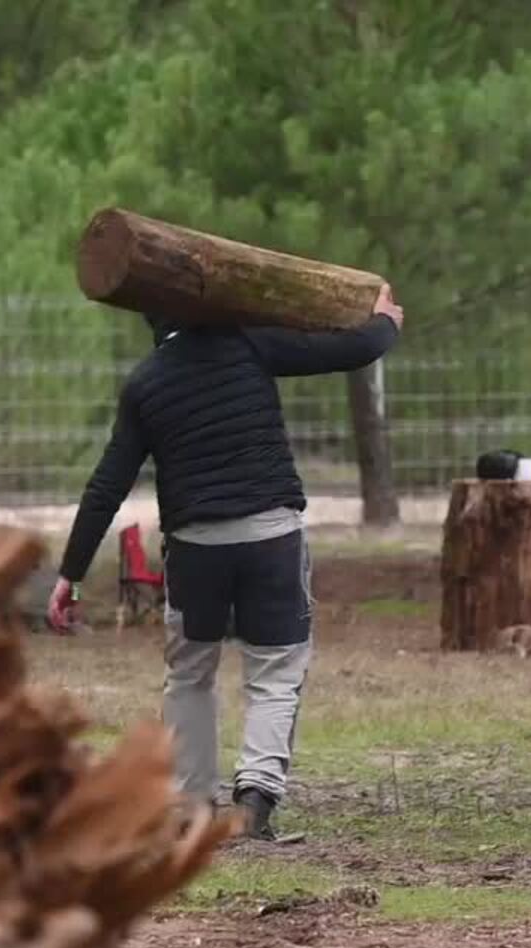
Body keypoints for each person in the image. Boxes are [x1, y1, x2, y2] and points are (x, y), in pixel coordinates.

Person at [46, 284, 405, 841]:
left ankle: (190, 808)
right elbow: (348, 351)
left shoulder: (145, 384)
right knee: (276, 666)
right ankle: (255, 800)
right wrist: (384, 322)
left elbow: (106, 486)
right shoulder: (247, 344)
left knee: (189, 673)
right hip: (271, 536)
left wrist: (70, 573)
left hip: (194, 546)